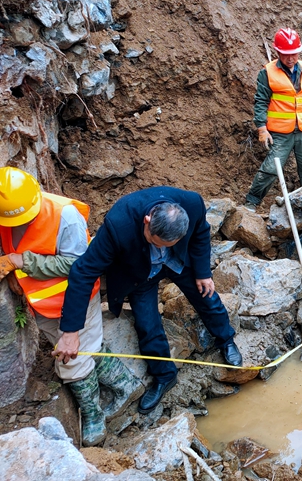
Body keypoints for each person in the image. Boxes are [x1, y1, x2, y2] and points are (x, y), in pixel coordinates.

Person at [58, 186, 242, 415]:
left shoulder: (192, 204)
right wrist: (70, 331)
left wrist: (203, 272)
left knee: (206, 296)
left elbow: (201, 233)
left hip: (177, 262)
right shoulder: (119, 223)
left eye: (166, 244)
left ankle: (226, 339)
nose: (160, 247)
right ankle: (165, 376)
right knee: (147, 324)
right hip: (141, 271)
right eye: (156, 242)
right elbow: (83, 272)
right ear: (147, 220)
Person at [0, 167, 143, 446]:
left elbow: (79, 265)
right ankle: (126, 386)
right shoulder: (7, 210)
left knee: (70, 360)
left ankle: (93, 415)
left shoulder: (65, 217)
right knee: (88, 348)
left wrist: (22, 262)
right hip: (41, 303)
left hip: (76, 298)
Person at [245, 28, 302, 208]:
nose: (290, 58)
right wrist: (262, 129)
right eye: (285, 54)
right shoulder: (267, 72)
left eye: (294, 54)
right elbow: (261, 101)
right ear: (277, 52)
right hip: (281, 132)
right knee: (271, 168)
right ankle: (252, 202)